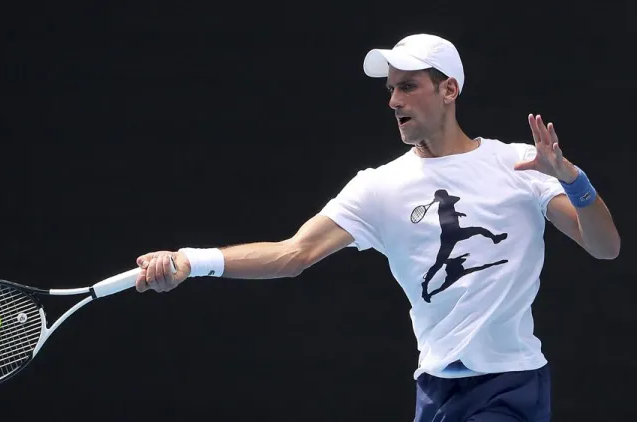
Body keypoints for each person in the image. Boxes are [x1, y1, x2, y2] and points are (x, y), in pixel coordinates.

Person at [133, 33, 621, 421]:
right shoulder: (379, 187)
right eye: (390, 87)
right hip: (435, 390)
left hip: (512, 386)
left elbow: (605, 247)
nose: (392, 100)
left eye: (407, 85)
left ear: (449, 89)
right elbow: (292, 254)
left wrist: (572, 178)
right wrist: (188, 262)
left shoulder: (519, 165)